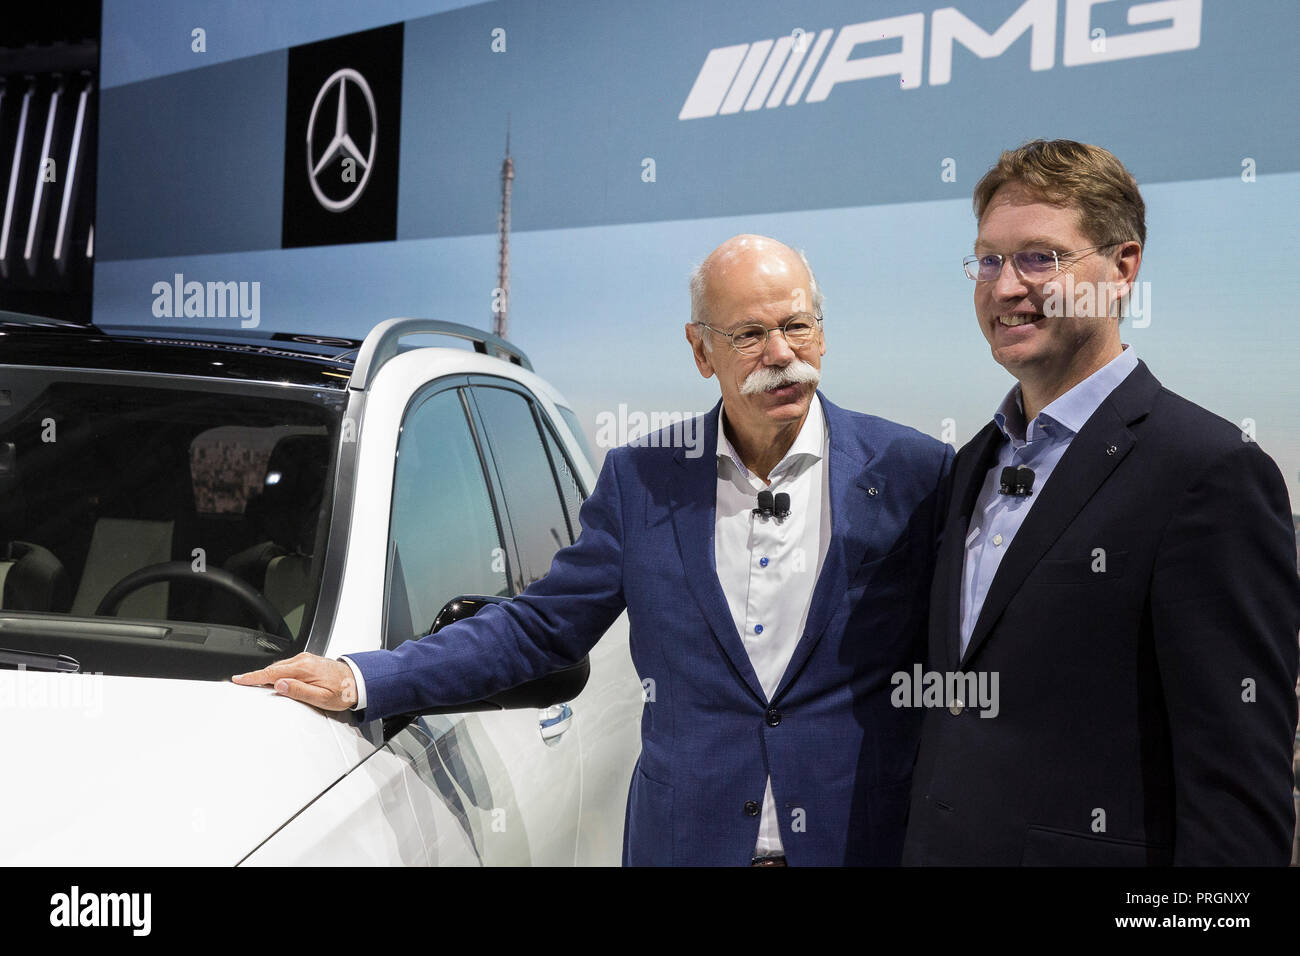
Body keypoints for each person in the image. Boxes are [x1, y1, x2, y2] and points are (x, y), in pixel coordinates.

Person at [235, 234, 952, 866]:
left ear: (823, 334)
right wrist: (366, 678)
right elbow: (542, 627)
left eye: (797, 326)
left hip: (862, 841)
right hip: (687, 847)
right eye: (749, 335)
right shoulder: (642, 480)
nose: (781, 355)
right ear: (701, 350)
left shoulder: (912, 472)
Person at [902, 140, 1300, 865]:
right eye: (988, 260)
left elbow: (1236, 797)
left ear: (1122, 270)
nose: (1004, 287)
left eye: (1040, 258)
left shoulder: (1209, 472)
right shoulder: (968, 468)